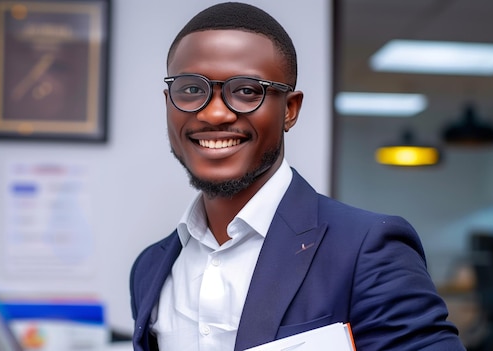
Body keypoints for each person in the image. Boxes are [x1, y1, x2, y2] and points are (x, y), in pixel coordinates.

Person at [129, 2, 466, 350]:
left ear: (289, 110)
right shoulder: (150, 268)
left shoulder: (368, 249)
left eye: (246, 90)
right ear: (168, 102)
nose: (214, 113)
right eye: (192, 89)